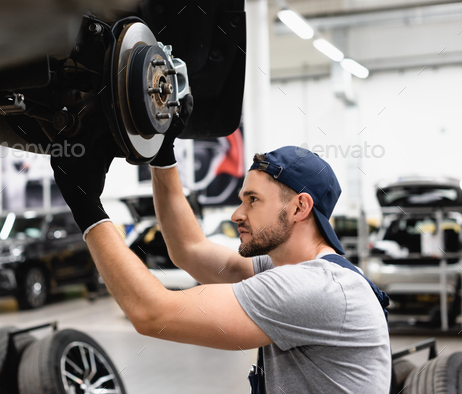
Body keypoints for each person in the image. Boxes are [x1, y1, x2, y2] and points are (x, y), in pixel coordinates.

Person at [50, 97, 391, 393]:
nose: (237, 214)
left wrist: (87, 208)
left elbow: (152, 313)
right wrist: (162, 152)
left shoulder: (317, 288)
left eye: (253, 200)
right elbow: (189, 249)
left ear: (300, 207)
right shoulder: (292, 268)